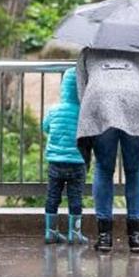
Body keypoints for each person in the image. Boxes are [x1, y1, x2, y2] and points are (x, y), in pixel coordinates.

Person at [76, 47, 139, 253]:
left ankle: (104, 237)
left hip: (99, 102)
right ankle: (135, 237)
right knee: (135, 169)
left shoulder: (87, 52)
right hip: (136, 102)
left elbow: (82, 93)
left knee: (104, 169)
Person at [41, 68, 89, 245]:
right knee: (75, 197)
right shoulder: (83, 111)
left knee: (53, 196)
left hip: (55, 162)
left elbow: (45, 127)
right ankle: (74, 233)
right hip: (77, 162)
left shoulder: (54, 110)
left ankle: (50, 232)